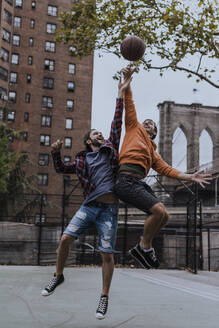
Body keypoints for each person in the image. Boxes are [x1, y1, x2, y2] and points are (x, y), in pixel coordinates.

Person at [41, 73, 133, 320]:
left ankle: (104, 298)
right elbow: (61, 169)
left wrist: (120, 93)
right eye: (95, 133)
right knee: (65, 240)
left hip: (109, 210)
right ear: (88, 140)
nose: (100, 134)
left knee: (106, 254)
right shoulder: (82, 159)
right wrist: (55, 153)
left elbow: (117, 122)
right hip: (89, 206)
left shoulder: (110, 149)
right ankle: (58, 277)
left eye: (101, 133)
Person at [114, 66, 211, 270]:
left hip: (137, 183)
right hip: (125, 181)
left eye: (150, 124)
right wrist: (127, 84)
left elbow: (168, 170)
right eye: (145, 122)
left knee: (165, 215)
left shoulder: (153, 152)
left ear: (155, 133)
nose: (146, 123)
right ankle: (144, 247)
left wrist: (191, 177)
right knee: (158, 211)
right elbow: (130, 105)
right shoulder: (133, 128)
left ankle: (143, 247)